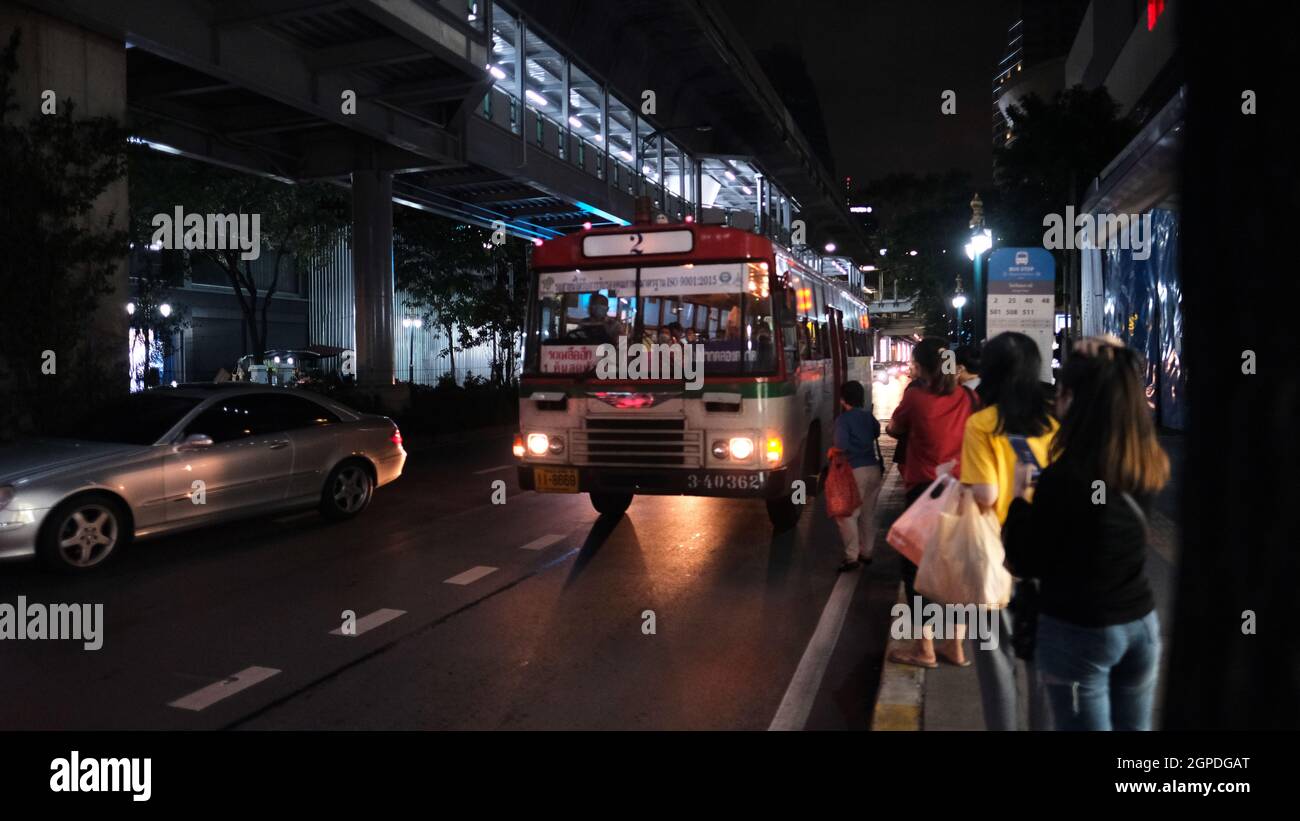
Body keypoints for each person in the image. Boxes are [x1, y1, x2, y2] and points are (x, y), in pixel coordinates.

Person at [1002, 337, 1169, 731]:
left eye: (1060, 394)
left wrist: (1018, 498)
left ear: (1072, 400)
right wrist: (1113, 355)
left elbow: (1022, 561)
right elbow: (1126, 374)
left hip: (1079, 632)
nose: (1055, 403)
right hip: (1140, 625)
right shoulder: (1143, 464)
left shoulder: (1064, 478)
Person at [960, 331, 1058, 730]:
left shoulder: (983, 424)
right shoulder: (1054, 423)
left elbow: (985, 494)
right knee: (1044, 662)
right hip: (1049, 554)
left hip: (993, 555)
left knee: (996, 663)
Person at [885, 337, 976, 668]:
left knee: (917, 571)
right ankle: (956, 646)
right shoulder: (970, 397)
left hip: (924, 492)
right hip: (963, 492)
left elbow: (895, 428)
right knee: (955, 569)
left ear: (921, 367)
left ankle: (924, 649)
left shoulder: (916, 398)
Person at [830, 380, 884, 572]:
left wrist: (833, 452)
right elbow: (877, 432)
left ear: (843, 399)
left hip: (854, 471)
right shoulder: (868, 416)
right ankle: (867, 552)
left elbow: (841, 446)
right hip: (873, 469)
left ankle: (851, 557)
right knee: (868, 513)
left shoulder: (843, 420)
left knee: (847, 515)